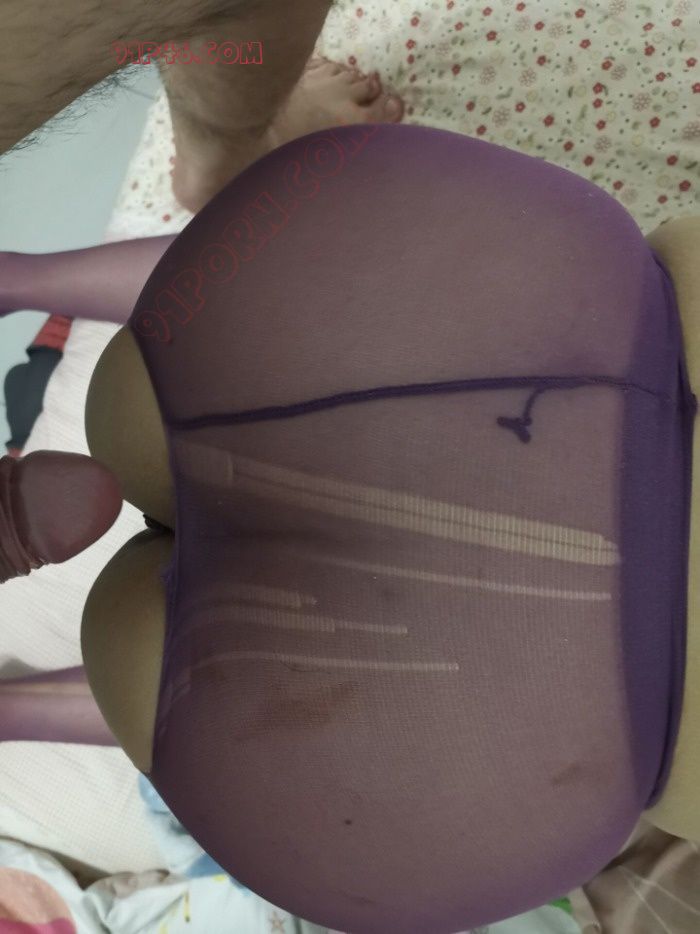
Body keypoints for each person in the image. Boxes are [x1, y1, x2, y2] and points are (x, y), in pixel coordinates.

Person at [0, 119, 699, 932]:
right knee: (164, 669)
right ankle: (15, 707)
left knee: (236, 323)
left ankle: (15, 280)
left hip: (596, 325)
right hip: (550, 746)